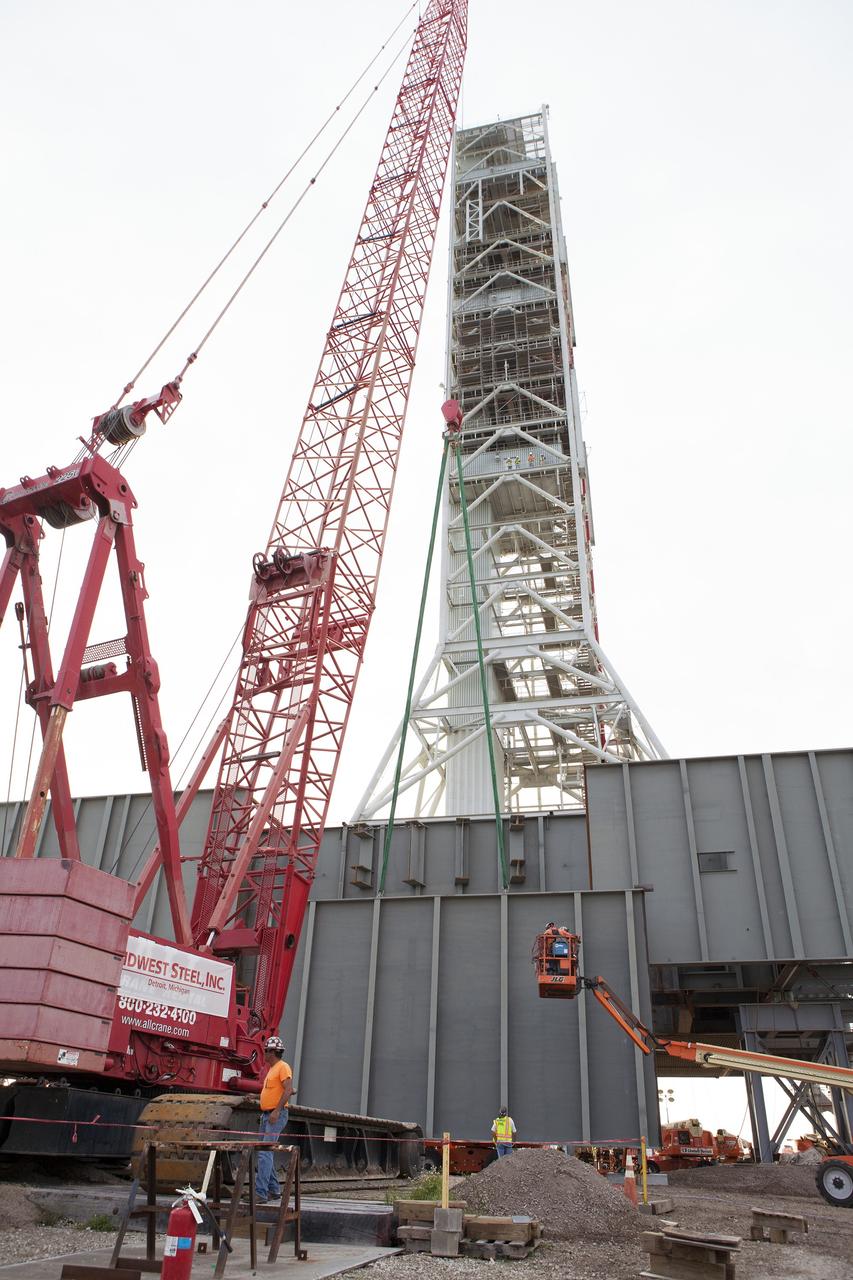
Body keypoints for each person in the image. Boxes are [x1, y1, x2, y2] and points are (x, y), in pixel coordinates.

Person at [255, 1035, 294, 1204]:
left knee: (265, 1153)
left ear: (273, 1052)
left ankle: (260, 1193)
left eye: (266, 1051)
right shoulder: (272, 1069)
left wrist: (276, 1111)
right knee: (265, 1152)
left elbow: (288, 1090)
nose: (264, 1054)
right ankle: (274, 1190)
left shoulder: (282, 1067)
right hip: (267, 1114)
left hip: (275, 1115)